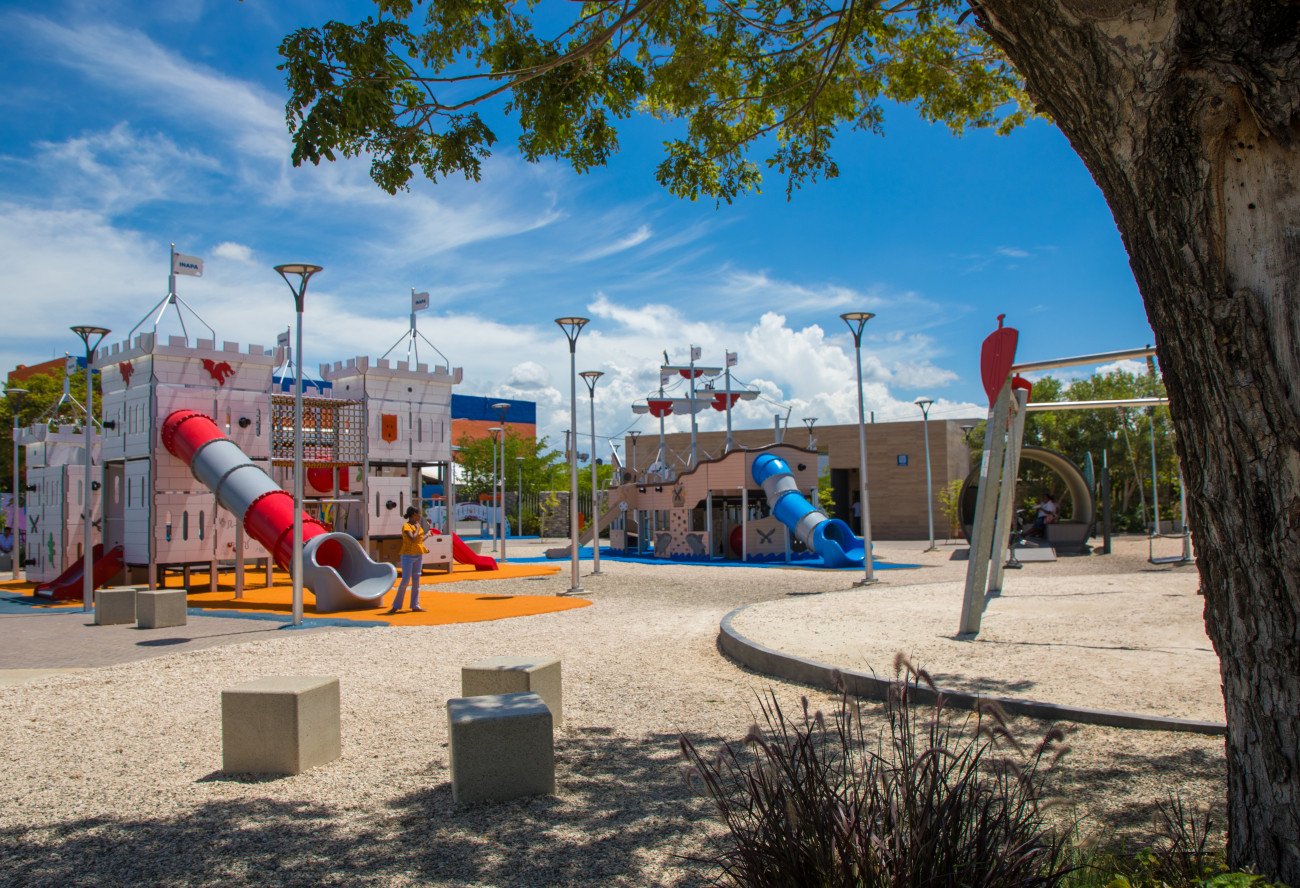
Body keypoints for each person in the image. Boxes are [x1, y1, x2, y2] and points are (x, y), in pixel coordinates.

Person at [387, 506, 428, 614]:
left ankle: (415, 605)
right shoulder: (407, 526)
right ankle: (396, 605)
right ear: (414, 514)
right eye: (419, 513)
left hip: (418, 555)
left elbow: (419, 540)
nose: (420, 516)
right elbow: (413, 539)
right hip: (407, 556)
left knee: (416, 581)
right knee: (405, 580)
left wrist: (427, 535)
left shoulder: (418, 526)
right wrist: (417, 528)